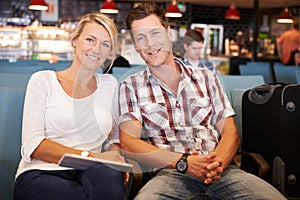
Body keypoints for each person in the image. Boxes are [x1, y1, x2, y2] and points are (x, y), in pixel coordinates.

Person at [118, 3, 287, 200]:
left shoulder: (208, 78)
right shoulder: (131, 85)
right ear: (136, 46)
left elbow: (230, 132)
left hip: (222, 172)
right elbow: (129, 142)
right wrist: (184, 163)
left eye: (155, 33)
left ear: (168, 33)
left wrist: (217, 166)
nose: (149, 44)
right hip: (171, 174)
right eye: (140, 38)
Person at [14, 12, 129, 200]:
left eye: (105, 44)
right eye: (90, 40)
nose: (97, 49)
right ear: (75, 40)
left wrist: (114, 158)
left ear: (110, 52)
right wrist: (92, 157)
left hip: (92, 171)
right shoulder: (44, 81)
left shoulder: (110, 84)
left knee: (110, 181)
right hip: (42, 171)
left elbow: (115, 136)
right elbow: (33, 145)